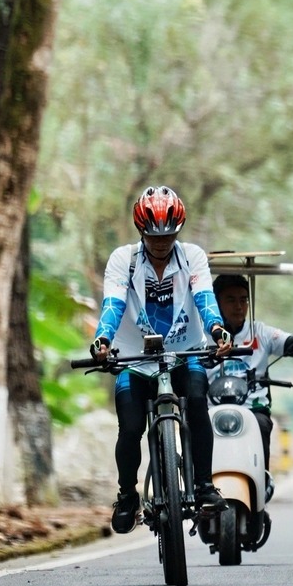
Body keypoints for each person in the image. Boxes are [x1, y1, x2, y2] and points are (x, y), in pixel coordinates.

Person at [91, 185, 230, 534]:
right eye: (154, 237)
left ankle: (204, 485)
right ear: (141, 231)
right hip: (134, 360)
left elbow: (205, 298)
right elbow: (113, 304)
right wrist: (103, 340)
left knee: (197, 403)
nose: (161, 243)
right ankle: (127, 495)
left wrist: (217, 331)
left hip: (185, 354)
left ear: (178, 231)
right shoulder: (123, 260)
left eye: (168, 235)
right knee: (130, 427)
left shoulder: (193, 257)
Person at [209, 271, 293, 476]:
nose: (239, 306)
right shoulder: (201, 336)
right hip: (210, 410)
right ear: (216, 303)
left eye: (243, 300)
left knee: (261, 426)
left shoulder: (261, 333)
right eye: (231, 300)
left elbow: (292, 343)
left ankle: (261, 481)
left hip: (253, 409)